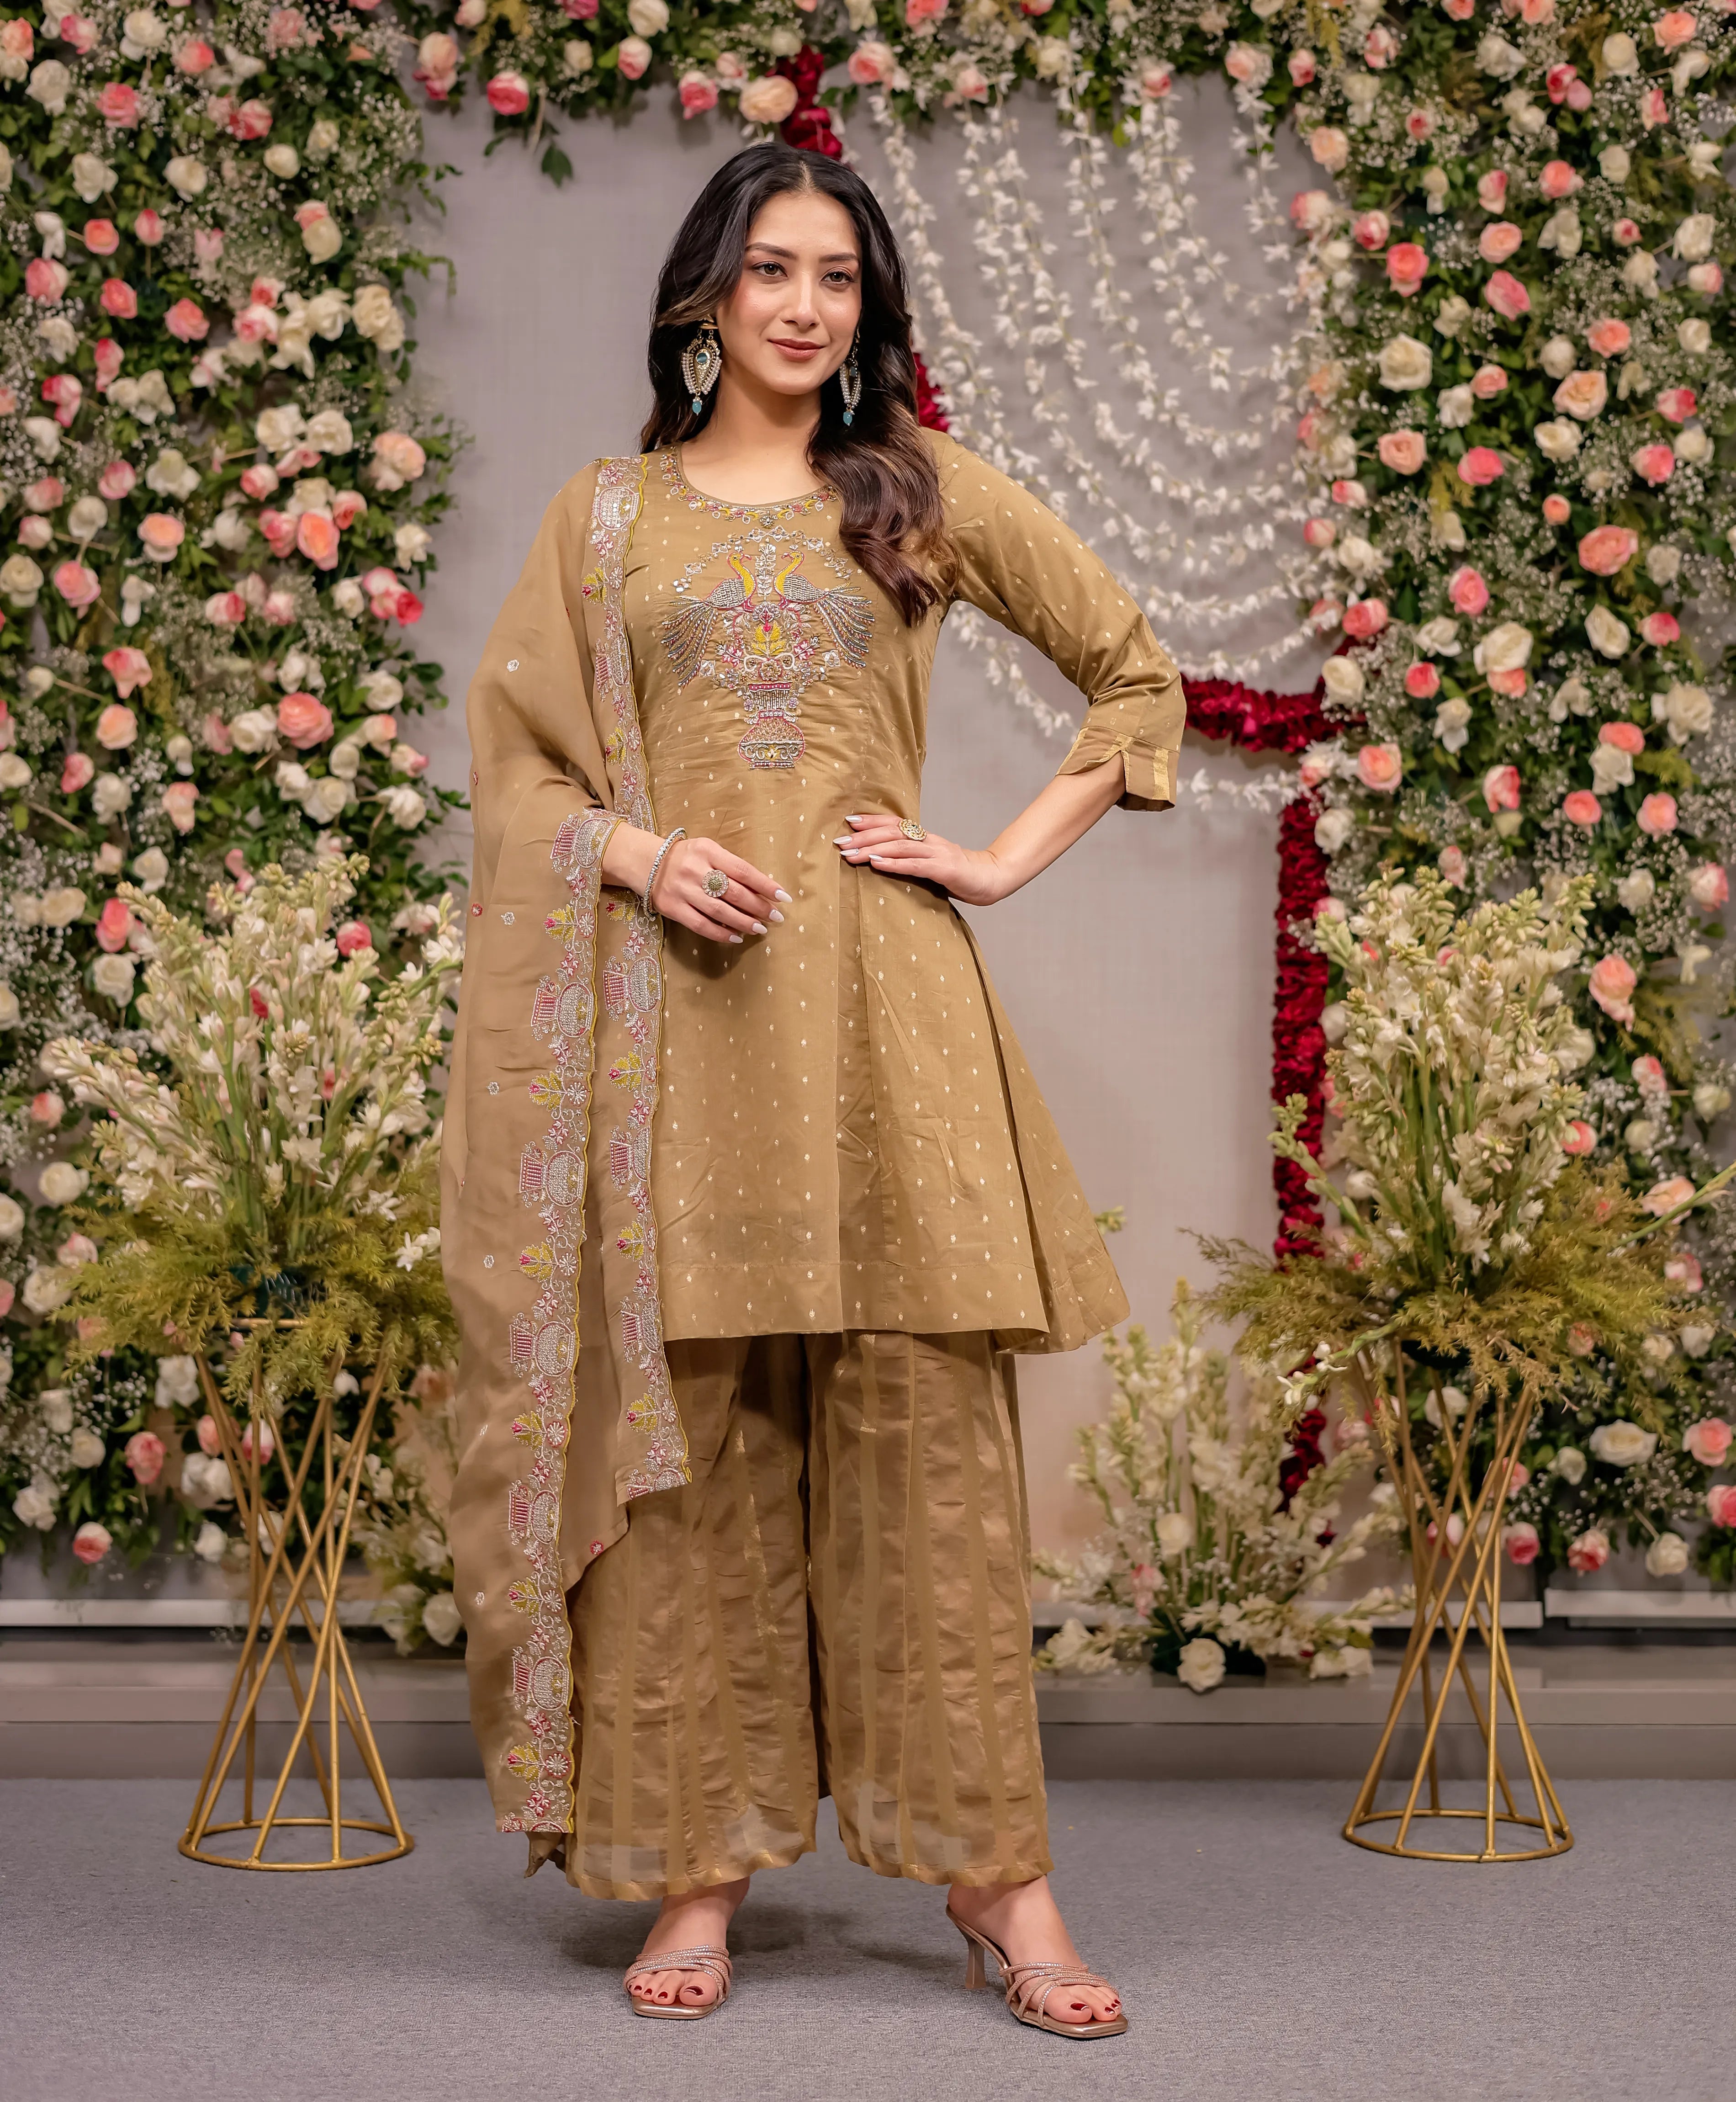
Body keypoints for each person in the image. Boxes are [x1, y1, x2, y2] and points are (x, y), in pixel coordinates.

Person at [441, 141, 1184, 2038]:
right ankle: (702, 1868)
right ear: (703, 294)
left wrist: (994, 860)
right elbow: (517, 778)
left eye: (835, 277)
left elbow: (1128, 670)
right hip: (676, 1043)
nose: (800, 305)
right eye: (767, 269)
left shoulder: (911, 495)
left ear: (866, 310)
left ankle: (997, 1885)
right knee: (690, 1460)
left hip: (883, 1026)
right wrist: (631, 852)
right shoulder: (604, 520)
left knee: (928, 1465)